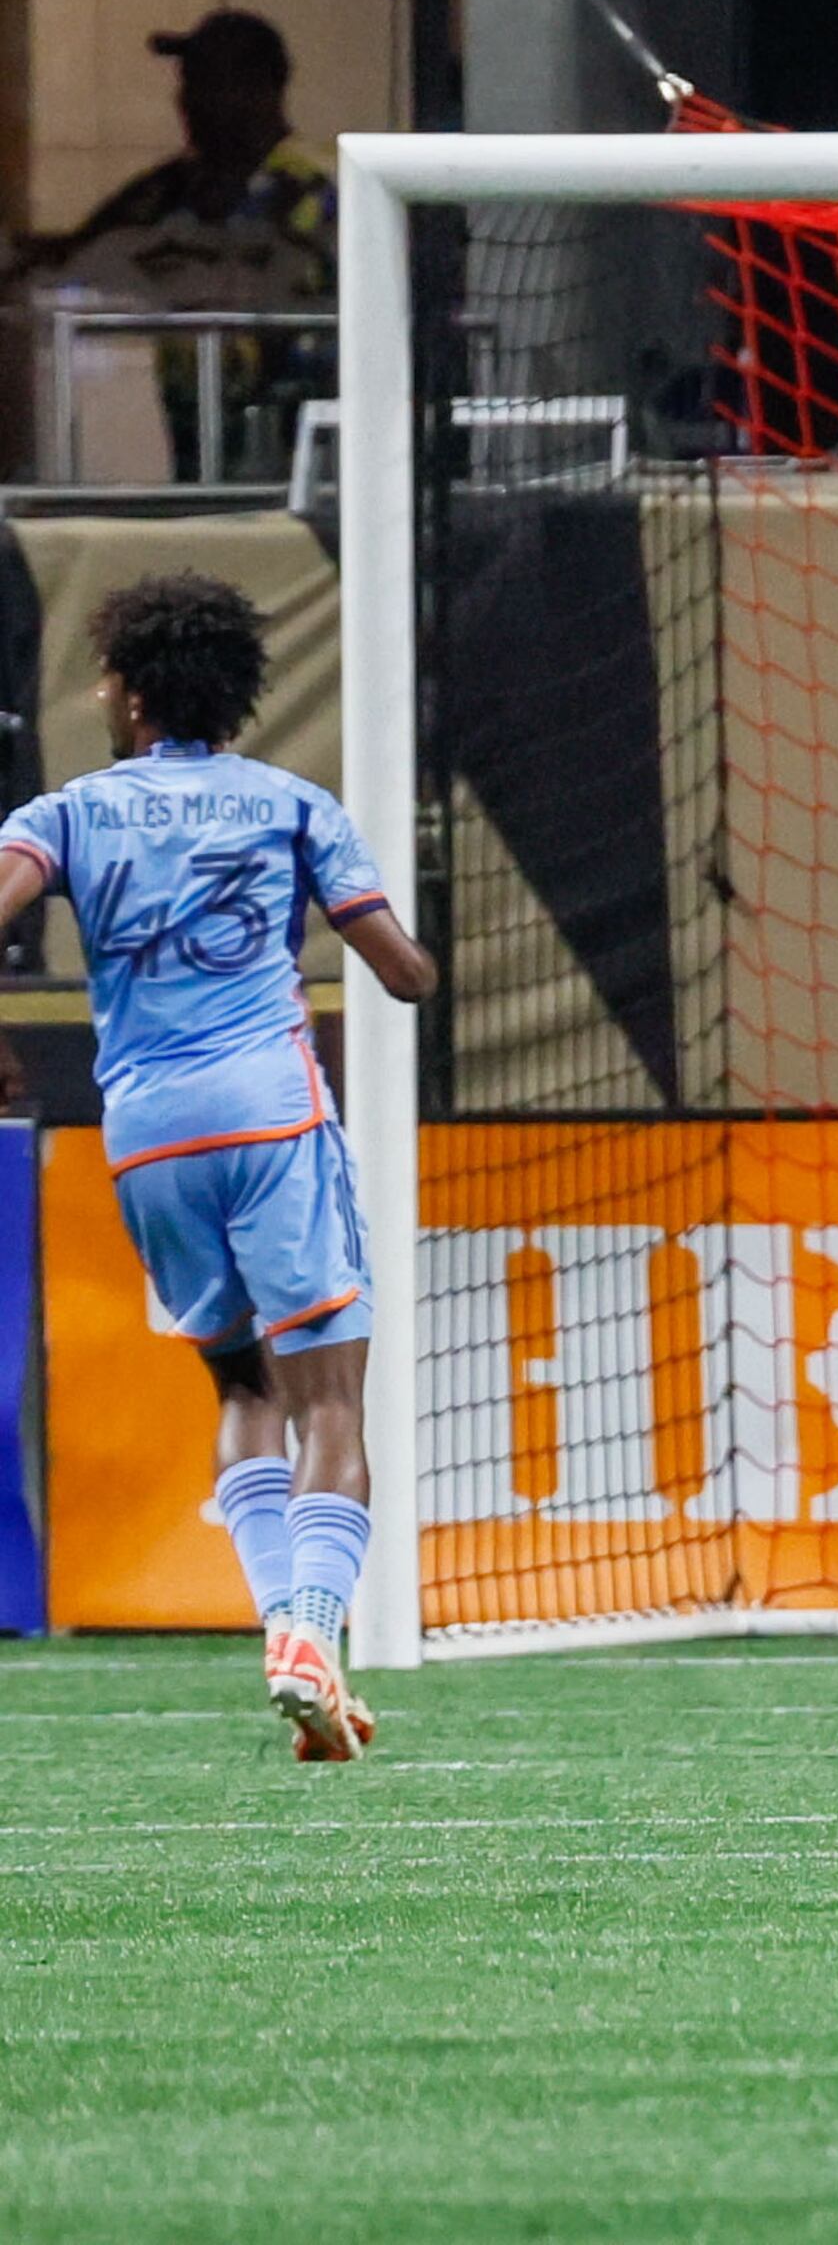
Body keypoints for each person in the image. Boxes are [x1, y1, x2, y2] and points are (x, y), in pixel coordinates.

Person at [0, 575, 437, 1759]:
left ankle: (293, 1644)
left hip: (148, 1135)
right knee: (331, 1399)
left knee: (240, 1389)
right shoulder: (293, 804)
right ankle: (307, 1623)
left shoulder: (67, 812)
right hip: (271, 1118)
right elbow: (401, 973)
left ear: (134, 692)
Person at [25, 13, 334, 480]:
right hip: (197, 437)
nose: (185, 101)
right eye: (187, 84)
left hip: (297, 439)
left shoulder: (316, 185)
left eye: (206, 82)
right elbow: (78, 255)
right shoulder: (173, 187)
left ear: (261, 89)